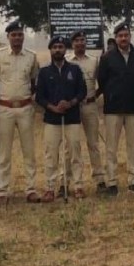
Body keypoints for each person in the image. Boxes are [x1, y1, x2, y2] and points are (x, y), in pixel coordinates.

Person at [0, 21, 40, 202]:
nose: (17, 38)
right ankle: (3, 190)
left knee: (29, 150)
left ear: (23, 36)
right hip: (5, 109)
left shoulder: (32, 57)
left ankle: (31, 189)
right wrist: (3, 99)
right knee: (5, 152)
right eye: (14, 35)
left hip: (25, 108)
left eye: (20, 34)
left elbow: (34, 82)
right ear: (8, 37)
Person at [96, 23, 134, 196]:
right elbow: (102, 81)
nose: (123, 38)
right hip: (113, 109)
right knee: (111, 147)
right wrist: (111, 95)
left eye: (126, 35)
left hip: (133, 107)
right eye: (120, 36)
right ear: (116, 38)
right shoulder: (107, 57)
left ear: (130, 36)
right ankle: (111, 182)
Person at [35, 35, 87, 201]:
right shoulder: (44, 72)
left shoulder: (75, 69)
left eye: (60, 47)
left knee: (75, 152)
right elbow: (40, 97)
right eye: (54, 47)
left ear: (65, 50)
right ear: (50, 50)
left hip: (72, 117)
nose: (58, 50)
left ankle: (78, 185)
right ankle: (50, 187)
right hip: (52, 119)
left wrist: (70, 103)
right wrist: (53, 107)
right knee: (51, 154)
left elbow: (82, 92)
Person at [68, 30, 105, 193]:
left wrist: (93, 96)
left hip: (89, 106)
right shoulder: (67, 60)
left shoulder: (94, 61)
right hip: (72, 107)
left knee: (93, 143)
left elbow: (101, 82)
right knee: (71, 145)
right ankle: (67, 181)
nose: (80, 43)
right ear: (72, 43)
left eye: (83, 40)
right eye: (77, 40)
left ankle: (99, 179)